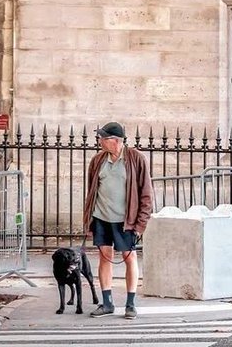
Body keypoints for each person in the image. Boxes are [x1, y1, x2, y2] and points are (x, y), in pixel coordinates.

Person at [83, 122, 154, 318]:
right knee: (104, 256)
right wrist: (89, 219)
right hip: (101, 218)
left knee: (128, 257)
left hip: (125, 220)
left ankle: (130, 303)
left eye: (103, 138)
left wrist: (141, 224)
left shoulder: (135, 159)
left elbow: (146, 194)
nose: (99, 141)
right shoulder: (98, 160)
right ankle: (107, 303)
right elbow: (91, 192)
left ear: (115, 141)